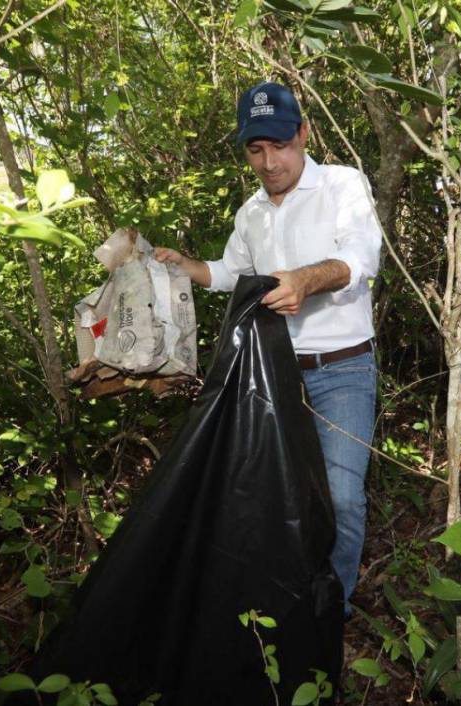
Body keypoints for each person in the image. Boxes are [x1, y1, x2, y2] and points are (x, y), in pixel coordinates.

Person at [154, 81, 382, 609]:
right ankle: (282, 605)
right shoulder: (251, 213)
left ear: (303, 133)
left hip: (342, 371)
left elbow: (362, 258)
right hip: (273, 374)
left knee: (342, 499)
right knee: (272, 495)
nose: (269, 162)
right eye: (256, 150)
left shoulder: (343, 186)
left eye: (279, 145)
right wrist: (185, 265)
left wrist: (305, 279)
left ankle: (334, 607)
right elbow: (233, 273)